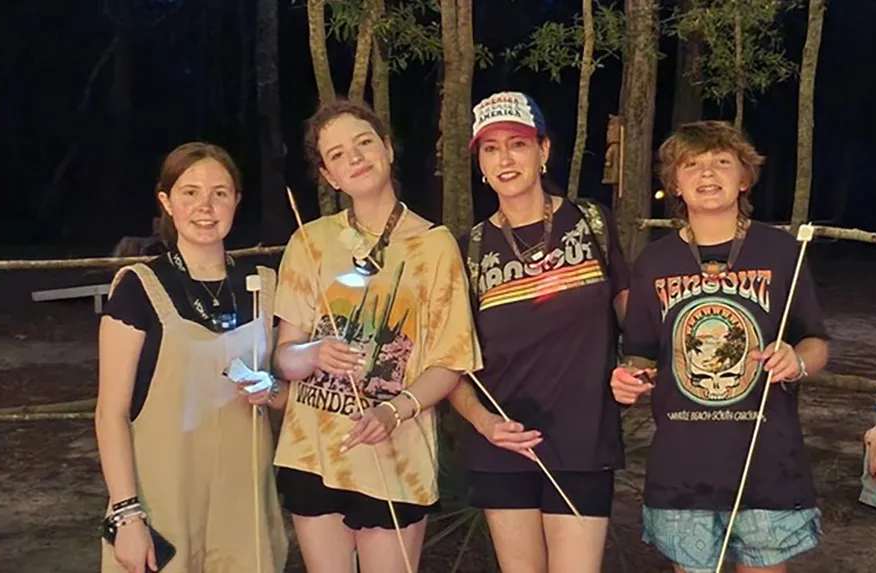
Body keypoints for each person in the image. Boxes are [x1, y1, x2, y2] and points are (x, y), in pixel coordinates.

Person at [268, 99, 482, 573]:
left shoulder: (434, 245)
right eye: (338, 154)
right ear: (330, 176)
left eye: (364, 143)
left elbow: (450, 361)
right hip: (314, 453)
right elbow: (284, 359)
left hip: (395, 461)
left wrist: (393, 409)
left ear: (386, 148)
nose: (355, 158)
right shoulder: (309, 241)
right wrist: (314, 352)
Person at [610, 120, 831, 573]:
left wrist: (796, 360)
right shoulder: (654, 262)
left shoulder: (781, 252)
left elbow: (816, 342)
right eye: (692, 165)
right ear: (674, 183)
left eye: (721, 163)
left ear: (744, 178)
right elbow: (641, 354)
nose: (707, 174)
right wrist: (629, 379)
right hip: (682, 471)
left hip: (766, 464)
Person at [448, 91, 630, 573]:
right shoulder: (470, 249)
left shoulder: (591, 222)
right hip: (503, 443)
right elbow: (450, 363)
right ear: (480, 164)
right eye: (490, 148)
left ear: (543, 151)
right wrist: (485, 423)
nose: (505, 159)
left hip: (583, 439)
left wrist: (638, 365)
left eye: (518, 144)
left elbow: (632, 316)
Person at [95, 142, 288, 573]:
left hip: (243, 511)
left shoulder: (265, 288)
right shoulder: (138, 289)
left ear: (237, 200)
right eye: (190, 192)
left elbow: (291, 394)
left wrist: (271, 390)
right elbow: (111, 412)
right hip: (159, 507)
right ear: (166, 201)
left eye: (220, 192)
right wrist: (127, 515)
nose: (206, 206)